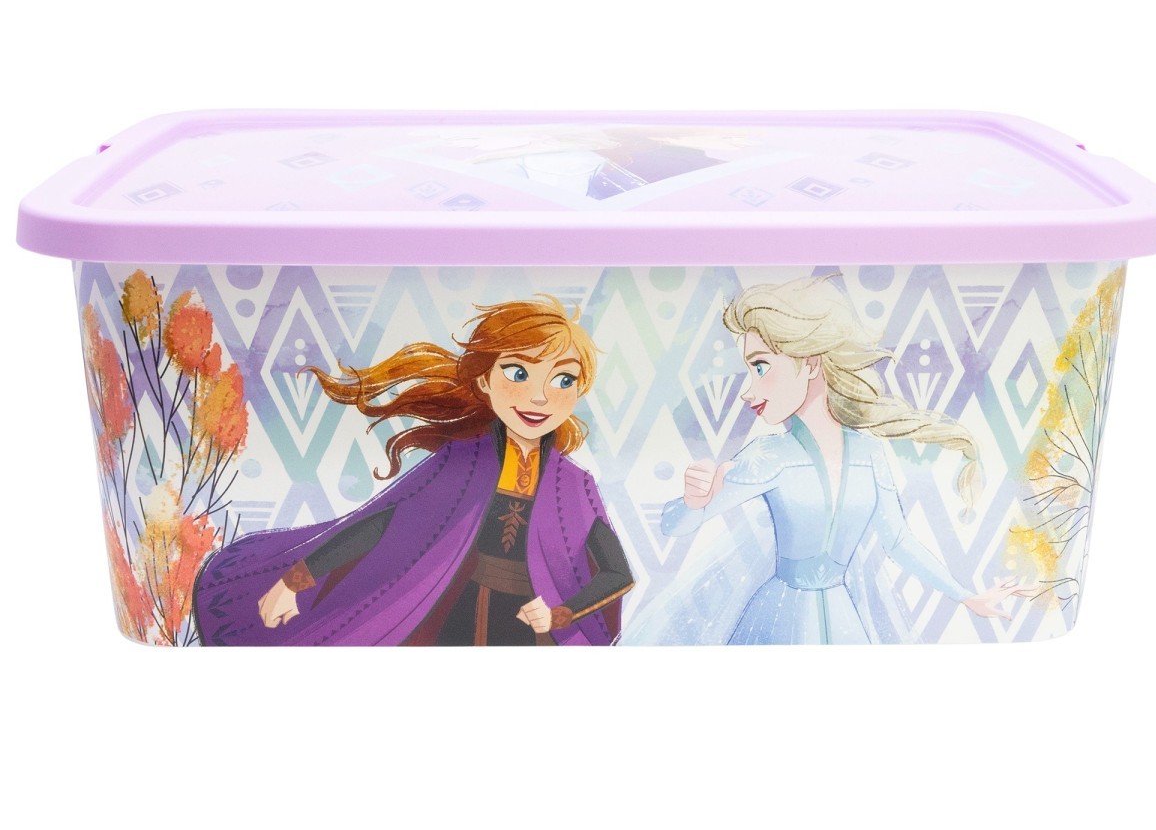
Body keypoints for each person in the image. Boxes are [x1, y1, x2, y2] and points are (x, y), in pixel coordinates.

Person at [193, 297, 632, 646]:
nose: (540, 397)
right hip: (451, 618)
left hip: (532, 634)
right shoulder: (463, 461)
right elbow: (384, 524)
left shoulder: (574, 485)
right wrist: (295, 580)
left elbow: (617, 574)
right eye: (518, 372)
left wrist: (561, 613)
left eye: (563, 380)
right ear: (484, 381)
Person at [637, 277, 1035, 645]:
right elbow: (676, 526)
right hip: (780, 617)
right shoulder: (768, 455)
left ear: (810, 362)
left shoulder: (868, 453)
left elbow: (898, 541)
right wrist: (693, 501)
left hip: (842, 618)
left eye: (760, 367)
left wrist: (966, 597)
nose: (748, 391)